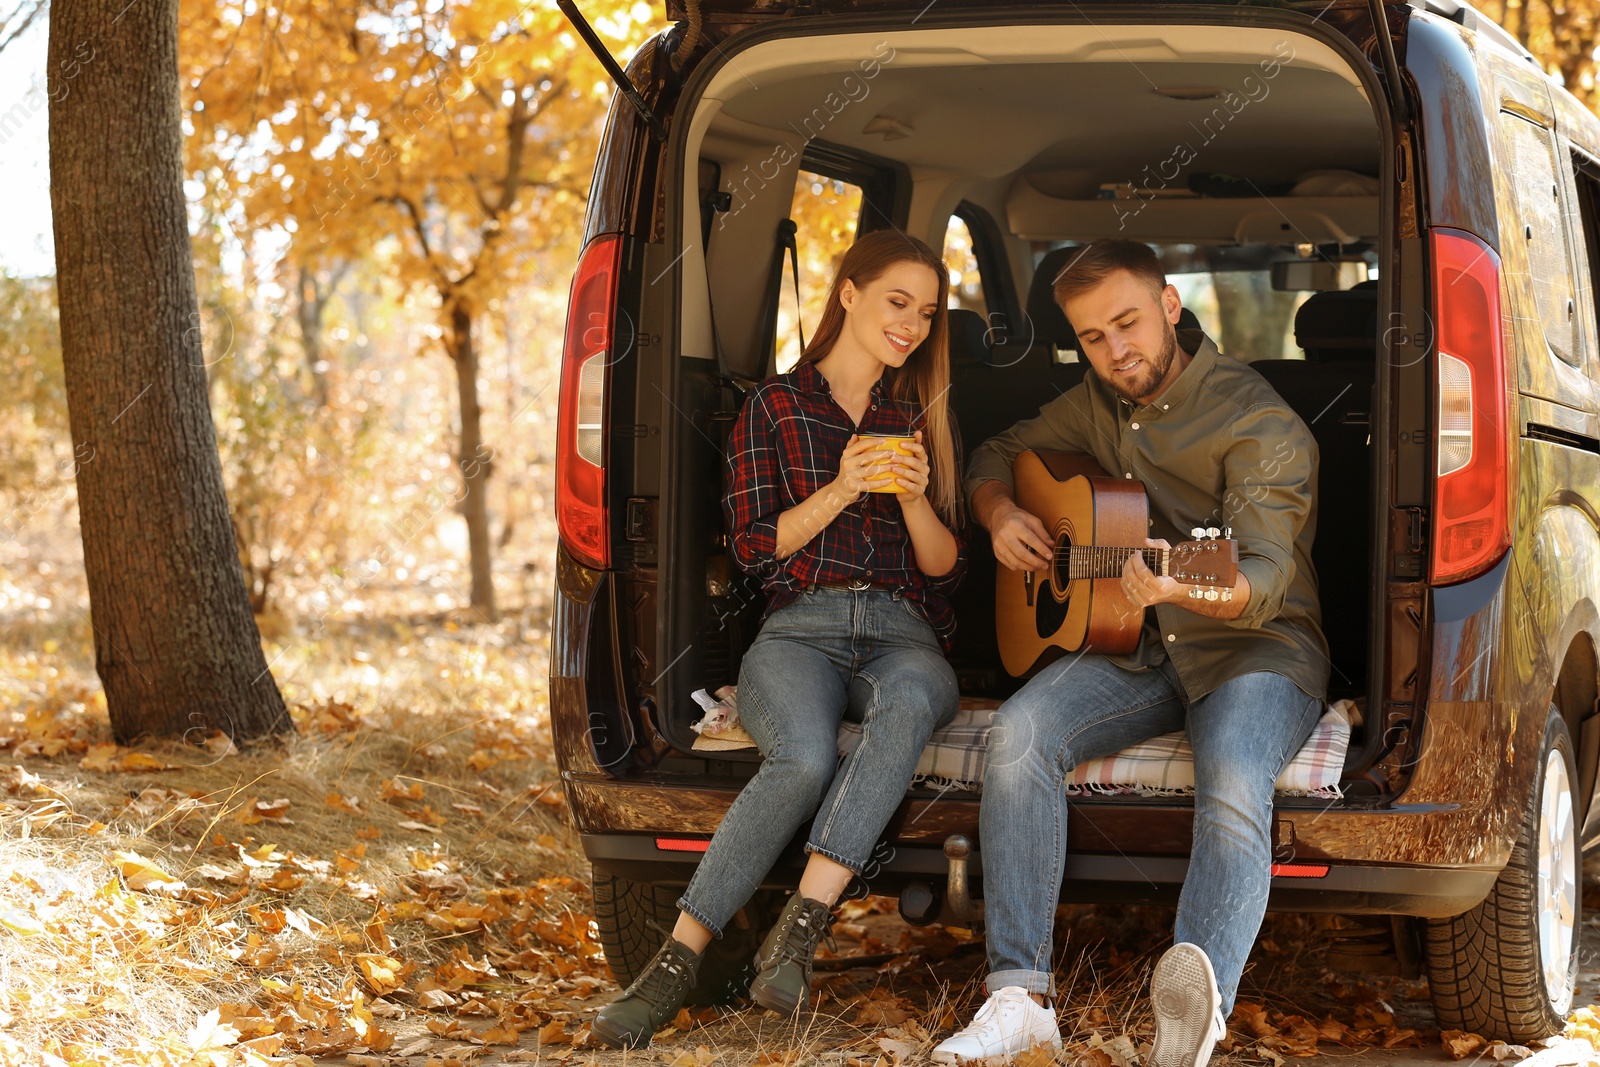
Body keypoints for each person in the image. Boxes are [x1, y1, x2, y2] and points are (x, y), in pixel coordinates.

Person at [932, 239, 1328, 1065]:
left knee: (1232, 777)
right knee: (1018, 735)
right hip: (1137, 644)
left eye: (1128, 323)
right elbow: (990, 456)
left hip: (1251, 648)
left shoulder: (1262, 424)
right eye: (1093, 337)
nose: (1116, 351)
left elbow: (1255, 578)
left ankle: (1196, 1010)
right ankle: (1020, 999)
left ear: (1171, 306)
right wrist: (1002, 513)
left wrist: (1181, 588)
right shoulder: (1094, 402)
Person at [593, 228, 968, 1049]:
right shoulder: (777, 406)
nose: (910, 324)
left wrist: (911, 500)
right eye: (895, 302)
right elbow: (753, 549)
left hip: (906, 635)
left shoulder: (921, 413)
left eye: (927, 312)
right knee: (801, 755)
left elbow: (945, 570)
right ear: (848, 293)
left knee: (907, 704)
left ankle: (796, 934)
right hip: (799, 630)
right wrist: (842, 486)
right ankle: (671, 968)